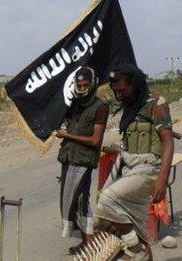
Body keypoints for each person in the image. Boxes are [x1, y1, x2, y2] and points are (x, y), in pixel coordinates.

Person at [95, 64, 174, 260]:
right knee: (123, 225)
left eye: (122, 89)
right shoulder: (130, 105)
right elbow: (131, 141)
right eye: (115, 91)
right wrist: (118, 148)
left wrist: (162, 179)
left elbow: (168, 141)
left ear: (135, 84)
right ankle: (140, 250)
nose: (119, 94)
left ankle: (135, 249)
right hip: (130, 167)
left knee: (108, 199)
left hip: (149, 169)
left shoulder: (155, 102)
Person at [54, 67, 109, 255]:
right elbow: (63, 122)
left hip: (84, 161)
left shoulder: (100, 106)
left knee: (81, 200)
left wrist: (67, 135)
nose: (83, 87)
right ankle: (86, 242)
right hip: (69, 157)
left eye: (86, 84)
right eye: (79, 84)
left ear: (93, 84)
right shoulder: (74, 104)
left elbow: (95, 140)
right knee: (72, 202)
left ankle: (89, 244)